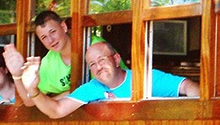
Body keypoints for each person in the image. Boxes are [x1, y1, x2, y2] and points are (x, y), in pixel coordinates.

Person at [22, 41, 199, 119]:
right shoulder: (93, 87)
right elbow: (57, 110)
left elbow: (188, 87)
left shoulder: (145, 78)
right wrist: (33, 91)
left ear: (115, 59)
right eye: (92, 64)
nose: (98, 67)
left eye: (102, 60)